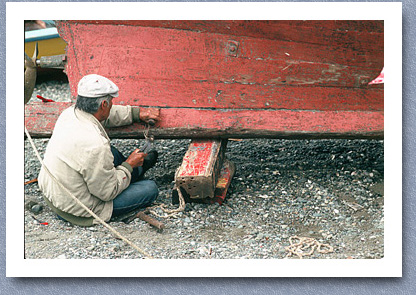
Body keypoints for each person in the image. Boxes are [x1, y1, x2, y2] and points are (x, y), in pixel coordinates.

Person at [38, 74, 160, 226]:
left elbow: (106, 115)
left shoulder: (69, 114)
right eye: (110, 103)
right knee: (150, 188)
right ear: (103, 104)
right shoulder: (95, 145)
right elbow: (107, 193)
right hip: (78, 210)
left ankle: (136, 170)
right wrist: (128, 165)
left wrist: (136, 114)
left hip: (55, 195)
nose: (111, 106)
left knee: (111, 153)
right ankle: (135, 171)